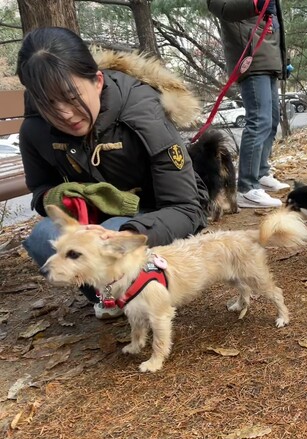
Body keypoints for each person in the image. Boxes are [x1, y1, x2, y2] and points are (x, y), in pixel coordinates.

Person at [17, 27, 210, 319]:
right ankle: (108, 296)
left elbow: (186, 207)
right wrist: (57, 198)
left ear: (96, 81)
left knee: (114, 236)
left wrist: (128, 233)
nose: (65, 114)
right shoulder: (35, 129)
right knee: (44, 235)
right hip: (94, 219)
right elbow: (42, 187)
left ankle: (145, 289)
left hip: (158, 213)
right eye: (49, 105)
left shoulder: (143, 113)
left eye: (71, 97)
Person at [208, 0, 290, 209]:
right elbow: (223, 8)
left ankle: (260, 173)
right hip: (251, 56)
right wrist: (256, 3)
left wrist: (282, 60)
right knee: (259, 120)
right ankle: (246, 187)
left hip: (268, 56)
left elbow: (274, 23)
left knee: (271, 121)